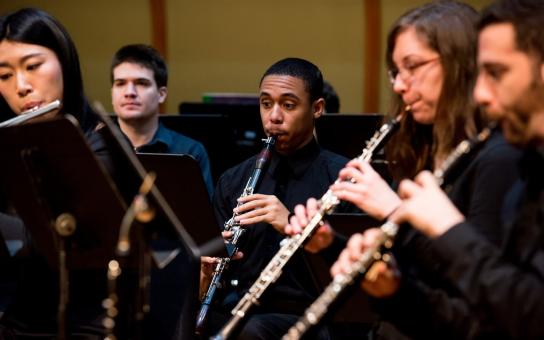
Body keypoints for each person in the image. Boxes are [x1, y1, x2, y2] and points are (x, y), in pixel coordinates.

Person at [287, 1, 521, 338]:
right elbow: (410, 274)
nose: (399, 85)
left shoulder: (498, 159)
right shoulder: (424, 152)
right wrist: (331, 245)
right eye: (396, 71)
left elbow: (478, 292)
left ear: (460, 65)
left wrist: (394, 211)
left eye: (412, 66)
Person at [366, 0, 544, 338]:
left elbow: (527, 315)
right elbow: (482, 323)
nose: (479, 93)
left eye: (495, 73)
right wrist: (395, 293)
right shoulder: (527, 173)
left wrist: (444, 229)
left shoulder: (501, 158)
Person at [206, 58, 354, 339]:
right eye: (265, 104)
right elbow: (218, 274)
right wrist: (207, 271)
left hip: (316, 315)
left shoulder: (344, 179)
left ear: (317, 109)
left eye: (288, 105)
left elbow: (351, 273)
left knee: (251, 331)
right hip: (242, 308)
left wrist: (291, 224)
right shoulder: (233, 180)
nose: (273, 117)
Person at [0, 7, 111, 338]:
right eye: (4, 75)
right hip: (17, 315)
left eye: (33, 67)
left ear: (63, 62)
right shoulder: (10, 143)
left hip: (82, 323)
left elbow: (43, 242)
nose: (21, 86)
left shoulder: (100, 144)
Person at [111, 44, 214, 196]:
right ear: (112, 93)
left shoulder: (190, 152)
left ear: (161, 94)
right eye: (120, 83)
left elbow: (201, 217)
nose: (129, 92)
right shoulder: (92, 147)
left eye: (141, 83)